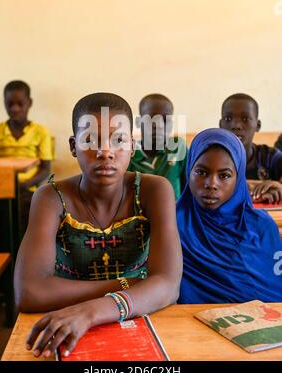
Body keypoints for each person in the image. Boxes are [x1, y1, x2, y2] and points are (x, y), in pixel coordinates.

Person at [14, 92, 182, 358]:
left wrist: (91, 311)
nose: (105, 152)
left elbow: (169, 286)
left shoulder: (154, 190)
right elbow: (29, 292)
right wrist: (129, 284)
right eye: (90, 139)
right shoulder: (50, 197)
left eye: (118, 140)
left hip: (135, 322)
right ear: (73, 146)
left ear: (132, 146)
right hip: (65, 326)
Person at [177, 128, 282, 304]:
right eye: (201, 172)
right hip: (189, 325)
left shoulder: (262, 225)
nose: (211, 184)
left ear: (239, 178)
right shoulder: (172, 223)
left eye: (224, 175)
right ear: (189, 171)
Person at [0, 80, 53, 232]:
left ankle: (20, 250)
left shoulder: (40, 132)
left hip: (28, 187)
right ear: (4, 103)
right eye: (10, 104)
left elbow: (45, 169)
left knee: (26, 211)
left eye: (20, 104)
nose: (15, 109)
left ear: (29, 103)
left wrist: (23, 185)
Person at [219, 93, 282, 204]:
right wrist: (254, 186)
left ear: (258, 125)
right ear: (220, 124)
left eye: (245, 119)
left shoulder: (270, 157)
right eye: (228, 118)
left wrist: (279, 186)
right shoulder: (211, 158)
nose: (236, 125)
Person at [128, 93, 187, 200]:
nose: (159, 126)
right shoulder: (129, 155)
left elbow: (188, 188)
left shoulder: (177, 148)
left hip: (174, 215)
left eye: (165, 121)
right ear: (138, 122)